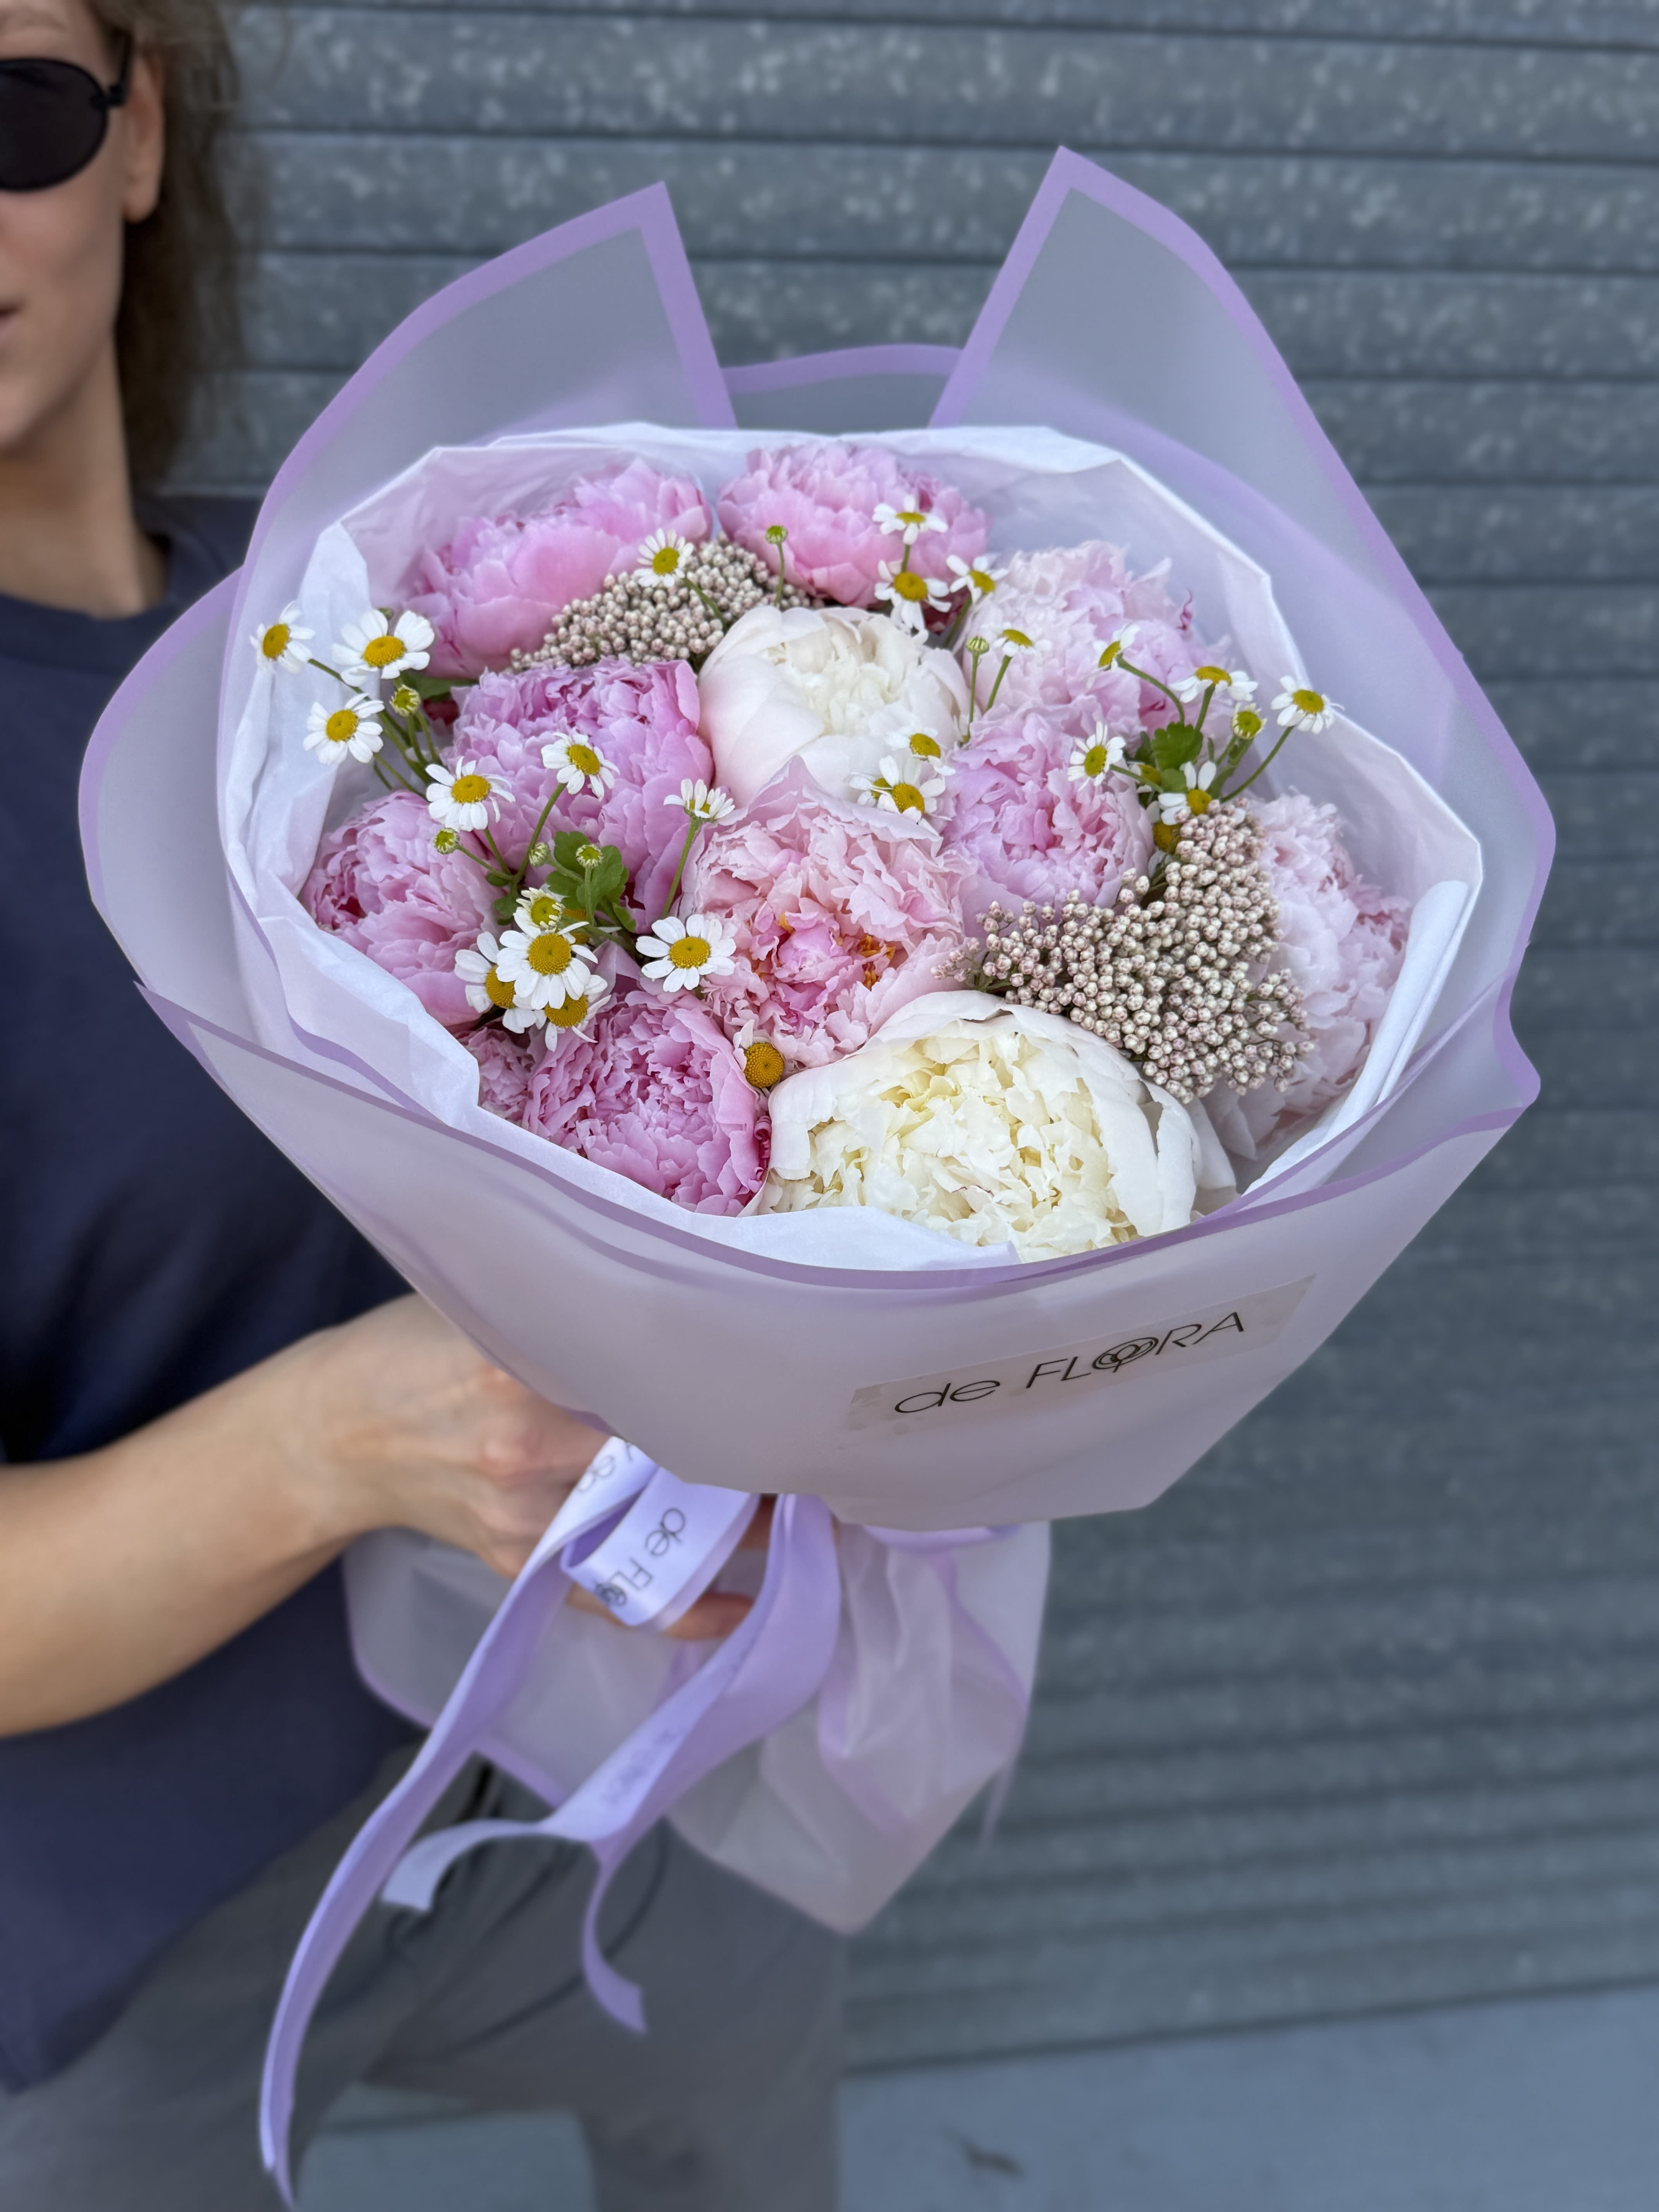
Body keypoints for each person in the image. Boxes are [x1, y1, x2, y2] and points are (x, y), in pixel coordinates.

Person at [0, 2, 842, 2204]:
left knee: (756, 2068)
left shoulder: (361, 636)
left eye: (8, 106)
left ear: (138, 128)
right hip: (97, 1944)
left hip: (547, 1769)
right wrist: (356, 1441)